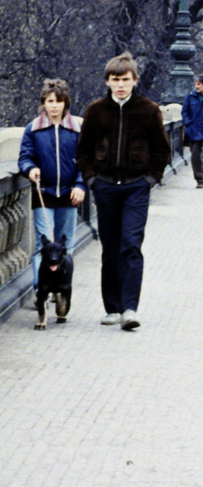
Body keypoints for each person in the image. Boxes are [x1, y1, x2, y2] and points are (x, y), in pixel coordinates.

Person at [78, 52, 171, 331]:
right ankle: (112, 308)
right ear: (107, 81)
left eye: (125, 80)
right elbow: (83, 150)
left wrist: (151, 179)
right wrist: (92, 179)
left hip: (135, 188)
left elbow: (162, 148)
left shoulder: (148, 109)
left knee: (131, 245)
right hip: (105, 186)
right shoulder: (95, 111)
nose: (120, 85)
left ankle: (130, 308)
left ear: (134, 80)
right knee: (110, 248)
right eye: (115, 80)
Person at [17, 79, 86, 298]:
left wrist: (80, 184)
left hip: (68, 194)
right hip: (43, 192)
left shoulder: (76, 128)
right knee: (43, 245)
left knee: (66, 245)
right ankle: (41, 290)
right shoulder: (34, 129)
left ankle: (62, 288)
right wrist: (30, 168)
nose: (54, 106)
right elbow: (25, 156)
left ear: (65, 103)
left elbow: (85, 161)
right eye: (49, 101)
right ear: (43, 103)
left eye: (58, 101)